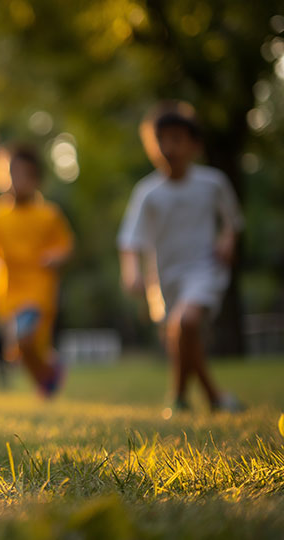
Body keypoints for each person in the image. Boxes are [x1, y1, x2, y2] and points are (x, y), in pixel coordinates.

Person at [118, 102, 244, 415]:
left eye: (177, 139)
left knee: (185, 323)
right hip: (163, 279)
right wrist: (131, 272)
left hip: (204, 269)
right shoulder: (147, 193)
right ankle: (214, 398)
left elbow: (233, 222)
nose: (169, 148)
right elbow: (130, 240)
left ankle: (177, 396)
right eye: (161, 140)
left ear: (194, 144)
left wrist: (227, 241)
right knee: (184, 336)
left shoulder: (213, 183)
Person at [0, 144, 74, 398]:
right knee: (17, 351)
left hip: (38, 289)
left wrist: (54, 257)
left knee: (23, 341)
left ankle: (46, 380)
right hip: (7, 292)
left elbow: (66, 246)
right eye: (9, 174)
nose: (15, 181)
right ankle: (49, 373)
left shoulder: (48, 214)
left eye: (23, 174)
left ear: (35, 178)